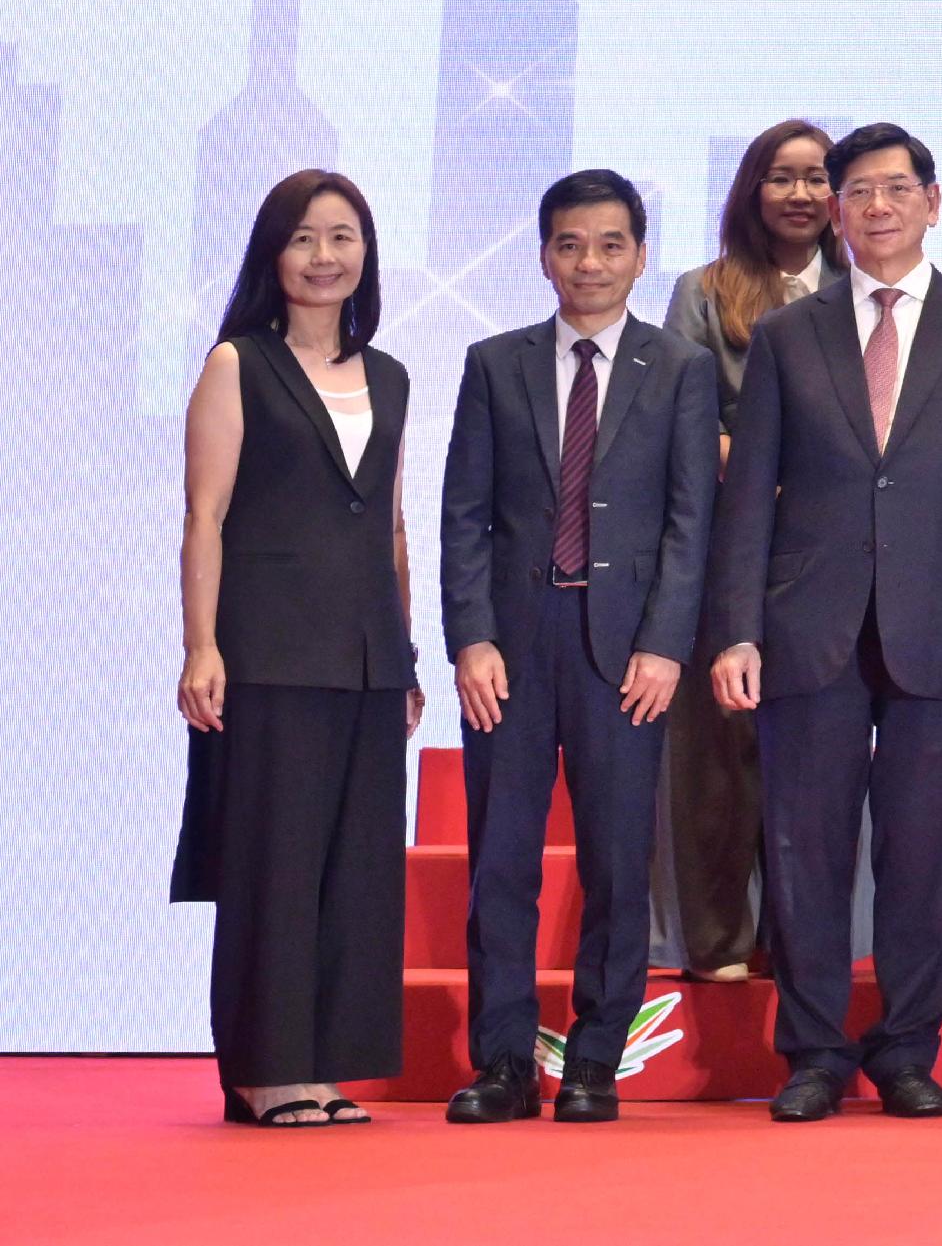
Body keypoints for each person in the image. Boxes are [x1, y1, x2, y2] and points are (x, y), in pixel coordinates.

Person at [706, 122, 942, 1123]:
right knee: (804, 845)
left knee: (924, 848)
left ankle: (906, 1049)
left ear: (935, 202)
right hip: (808, 621)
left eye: (897, 189)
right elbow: (749, 486)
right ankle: (811, 1050)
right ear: (835, 212)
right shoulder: (787, 334)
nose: (877, 207)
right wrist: (734, 628)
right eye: (859, 192)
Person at [438, 171, 720, 1125]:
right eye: (569, 244)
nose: (589, 263)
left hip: (627, 650)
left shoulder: (677, 366)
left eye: (609, 244)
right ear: (544, 254)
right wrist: (471, 637)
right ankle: (504, 1061)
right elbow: (464, 517)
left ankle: (597, 1057)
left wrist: (667, 645)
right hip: (513, 649)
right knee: (503, 861)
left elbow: (692, 520)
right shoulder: (493, 362)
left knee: (614, 857)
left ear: (641, 254)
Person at [174, 172, 419, 1128]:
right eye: (306, 238)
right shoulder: (238, 363)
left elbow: (392, 525)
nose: (326, 256)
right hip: (266, 651)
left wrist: (401, 652)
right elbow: (205, 516)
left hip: (364, 656)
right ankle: (265, 1071)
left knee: (356, 866)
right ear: (273, 254)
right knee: (271, 865)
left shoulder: (390, 372)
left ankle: (325, 1061)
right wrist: (201, 646)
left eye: (344, 236)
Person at [655, 120, 831, 983]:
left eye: (817, 177)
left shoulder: (861, 286)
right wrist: (759, 460)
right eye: (781, 176)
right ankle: (719, 941)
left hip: (832, 557)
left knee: (806, 752)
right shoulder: (704, 289)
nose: (800, 193)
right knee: (717, 754)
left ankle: (799, 943)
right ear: (751, 190)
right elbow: (676, 418)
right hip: (730, 543)